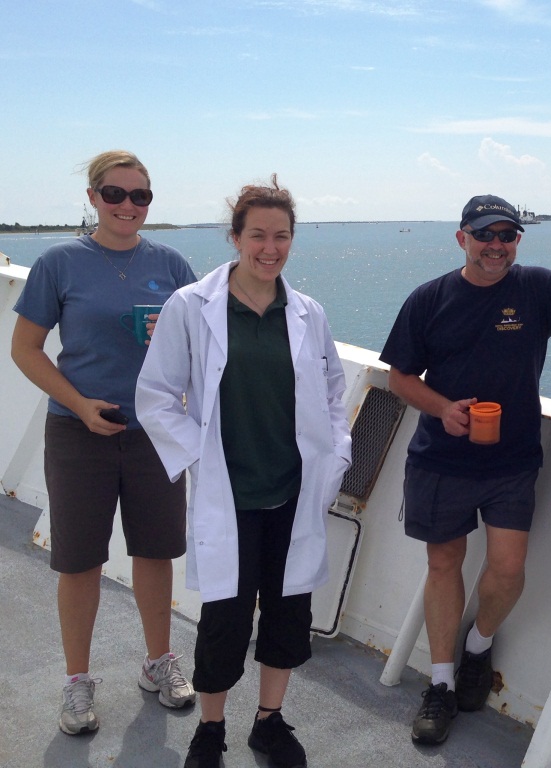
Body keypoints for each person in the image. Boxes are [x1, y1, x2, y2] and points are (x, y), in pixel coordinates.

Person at [135, 175, 352, 768]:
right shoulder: (193, 307)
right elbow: (155, 395)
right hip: (229, 495)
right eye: (257, 234)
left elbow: (333, 392)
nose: (270, 247)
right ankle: (210, 731)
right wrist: (198, 455)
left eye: (281, 236)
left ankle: (269, 721)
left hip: (292, 491)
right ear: (235, 237)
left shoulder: (307, 312)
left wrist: (337, 454)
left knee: (288, 612)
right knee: (225, 619)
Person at [380, 194, 551, 745]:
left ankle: (478, 646)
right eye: (486, 235)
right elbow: (400, 378)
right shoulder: (429, 299)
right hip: (441, 458)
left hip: (512, 460)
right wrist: (444, 409)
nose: (497, 245)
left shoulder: (539, 289)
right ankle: (439, 683)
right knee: (444, 564)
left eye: (508, 235)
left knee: (507, 568)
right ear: (463, 239)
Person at [10, 150, 198, 736]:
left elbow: (206, 340)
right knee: (79, 560)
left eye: (139, 196)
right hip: (78, 432)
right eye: (115, 194)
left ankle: (157, 662)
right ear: (92, 198)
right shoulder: (60, 262)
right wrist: (81, 404)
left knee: (155, 551)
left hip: (154, 436)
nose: (127, 206)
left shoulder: (171, 266)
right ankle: (77, 682)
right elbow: (26, 349)